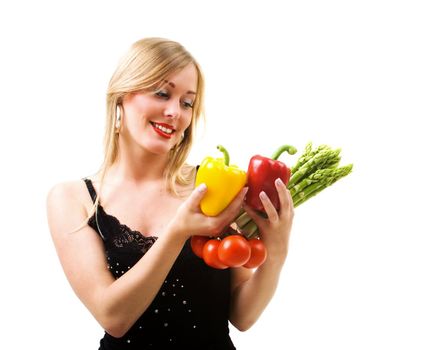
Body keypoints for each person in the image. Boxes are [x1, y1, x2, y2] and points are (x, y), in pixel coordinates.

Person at [46, 37, 294, 349]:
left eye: (187, 103)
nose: (174, 112)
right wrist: (178, 232)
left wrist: (277, 253)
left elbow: (241, 316)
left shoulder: (213, 183)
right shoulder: (72, 199)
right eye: (162, 94)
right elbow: (114, 318)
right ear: (121, 97)